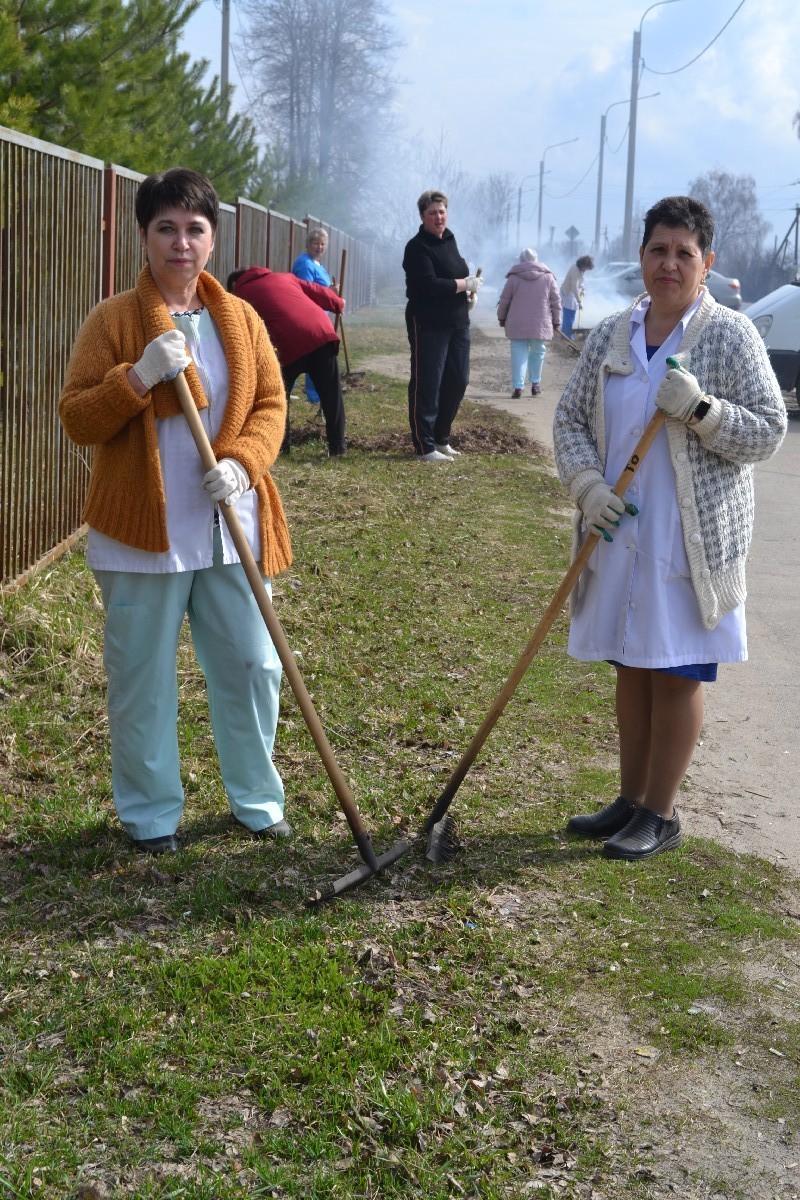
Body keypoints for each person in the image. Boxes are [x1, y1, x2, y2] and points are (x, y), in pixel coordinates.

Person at [58, 167, 293, 855]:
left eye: (194, 229)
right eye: (166, 228)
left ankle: (256, 798)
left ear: (213, 240)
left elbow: (272, 407)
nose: (180, 243)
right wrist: (135, 378)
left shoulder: (241, 320)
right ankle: (150, 813)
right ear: (143, 236)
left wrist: (243, 464)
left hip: (230, 527)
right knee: (143, 679)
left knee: (254, 667)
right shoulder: (113, 320)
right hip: (143, 534)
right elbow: (77, 417)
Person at [552, 195, 786, 861]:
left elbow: (768, 430)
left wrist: (705, 410)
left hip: (690, 545)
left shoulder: (728, 335)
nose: (669, 264)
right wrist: (586, 485)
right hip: (621, 533)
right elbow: (569, 419)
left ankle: (662, 811)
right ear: (643, 256)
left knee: (677, 673)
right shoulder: (610, 333)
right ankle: (630, 801)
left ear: (706, 264)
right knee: (632, 666)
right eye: (658, 250)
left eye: (685, 253)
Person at [228, 266, 346, 457]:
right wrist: (338, 303)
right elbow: (317, 291)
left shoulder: (239, 295)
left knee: (279, 398)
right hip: (321, 335)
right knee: (332, 395)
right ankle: (338, 448)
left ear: (234, 284)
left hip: (288, 345)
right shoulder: (286, 277)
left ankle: (282, 447)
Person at [402, 189, 483, 462]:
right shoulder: (417, 248)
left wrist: (467, 295)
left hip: (458, 322)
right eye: (433, 212)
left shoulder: (449, 240)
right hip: (428, 323)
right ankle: (424, 446)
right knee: (428, 382)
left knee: (457, 380)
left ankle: (441, 437)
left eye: (442, 211)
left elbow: (455, 272)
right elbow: (429, 284)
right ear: (423, 216)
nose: (439, 217)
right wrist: (464, 284)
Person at [497, 248, 562, 399]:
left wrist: (501, 317)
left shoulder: (513, 278)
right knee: (538, 353)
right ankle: (535, 385)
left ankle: (518, 388)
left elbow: (504, 300)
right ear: (536, 260)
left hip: (517, 323)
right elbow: (556, 302)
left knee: (518, 353)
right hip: (540, 323)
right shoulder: (548, 277)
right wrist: (557, 321)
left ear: (520, 260)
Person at [292, 227, 334, 406]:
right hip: (309, 318)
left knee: (314, 357)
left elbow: (321, 287)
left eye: (323, 244)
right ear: (308, 244)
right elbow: (306, 291)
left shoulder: (317, 263)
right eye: (316, 243)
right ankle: (283, 390)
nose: (319, 247)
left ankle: (314, 393)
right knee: (297, 358)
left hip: (320, 317)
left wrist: (331, 291)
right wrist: (329, 292)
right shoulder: (305, 264)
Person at [560, 255, 594, 339]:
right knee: (569, 316)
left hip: (573, 295)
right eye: (586, 268)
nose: (586, 270)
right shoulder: (575, 270)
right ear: (583, 264)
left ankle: (564, 335)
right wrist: (579, 301)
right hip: (568, 295)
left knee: (569, 316)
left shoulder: (581, 270)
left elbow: (580, 283)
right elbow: (574, 286)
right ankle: (567, 335)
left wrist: (582, 288)